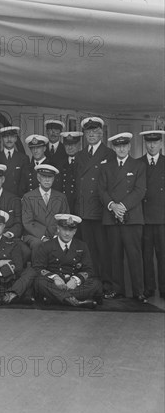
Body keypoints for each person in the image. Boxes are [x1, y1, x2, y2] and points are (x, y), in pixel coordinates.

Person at [99, 132, 147, 302]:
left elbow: (140, 190)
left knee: (134, 255)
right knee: (114, 255)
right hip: (112, 216)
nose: (121, 148)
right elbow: (102, 191)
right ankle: (117, 289)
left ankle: (139, 291)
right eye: (118, 146)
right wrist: (113, 206)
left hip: (132, 217)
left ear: (129, 147)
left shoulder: (138, 166)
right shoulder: (105, 167)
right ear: (114, 147)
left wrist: (123, 207)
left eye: (124, 146)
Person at [75, 116, 115, 288]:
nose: (91, 135)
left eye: (95, 132)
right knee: (88, 248)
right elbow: (77, 183)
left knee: (103, 248)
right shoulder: (80, 155)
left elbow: (113, 184)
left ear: (101, 134)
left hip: (100, 208)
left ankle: (106, 281)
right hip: (84, 208)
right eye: (88, 132)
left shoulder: (109, 154)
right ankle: (90, 280)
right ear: (85, 134)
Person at [33, 214, 102, 308]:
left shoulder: (82, 245)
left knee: (96, 283)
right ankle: (74, 300)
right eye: (64, 229)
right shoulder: (47, 246)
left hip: (73, 285)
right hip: (55, 283)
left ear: (75, 231)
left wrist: (76, 280)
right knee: (39, 282)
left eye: (71, 230)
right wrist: (55, 277)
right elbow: (38, 268)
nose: (67, 233)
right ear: (58, 229)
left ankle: (57, 298)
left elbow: (89, 270)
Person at [139, 130, 165, 298]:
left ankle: (164, 289)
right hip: (144, 217)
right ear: (145, 144)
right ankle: (149, 288)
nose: (152, 145)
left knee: (163, 255)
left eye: (155, 142)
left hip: (163, 217)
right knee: (146, 256)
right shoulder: (138, 163)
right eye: (149, 142)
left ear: (161, 144)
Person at [21, 164, 69, 252]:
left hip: (55, 234)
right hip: (34, 235)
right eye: (44, 176)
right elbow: (27, 222)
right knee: (38, 244)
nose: (47, 180)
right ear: (38, 178)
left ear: (54, 179)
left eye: (50, 177)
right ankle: (38, 266)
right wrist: (42, 237)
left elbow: (64, 220)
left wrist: (56, 235)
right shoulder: (28, 197)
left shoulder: (61, 197)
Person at [0, 126, 28, 198]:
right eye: (6, 137)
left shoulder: (23, 158)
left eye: (12, 137)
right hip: (0, 197)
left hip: (17, 197)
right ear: (1, 139)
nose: (9, 139)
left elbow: (24, 182)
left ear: (15, 139)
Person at [53, 131, 83, 212]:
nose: (70, 148)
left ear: (79, 145)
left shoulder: (84, 163)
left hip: (81, 207)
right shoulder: (60, 164)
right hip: (64, 206)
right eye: (67, 145)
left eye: (73, 145)